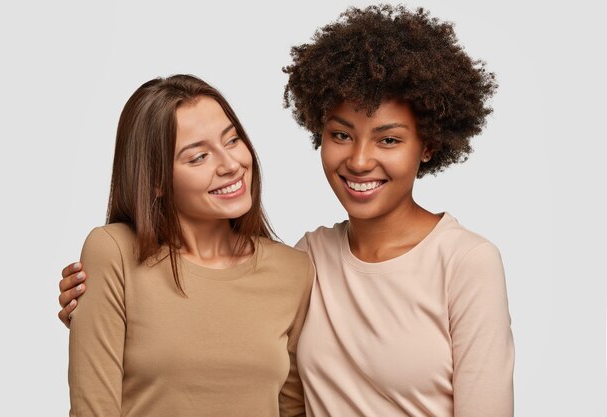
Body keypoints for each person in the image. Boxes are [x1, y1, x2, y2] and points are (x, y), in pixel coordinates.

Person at [59, 5, 514, 417]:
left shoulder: (463, 262)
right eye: (340, 135)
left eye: (389, 139)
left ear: (429, 144)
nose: (359, 160)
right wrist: (100, 314)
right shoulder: (309, 259)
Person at [62, 74, 313, 417]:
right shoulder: (113, 252)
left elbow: (293, 409)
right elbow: (93, 410)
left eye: (233, 140)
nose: (231, 165)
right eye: (198, 158)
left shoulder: (293, 270)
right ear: (155, 181)